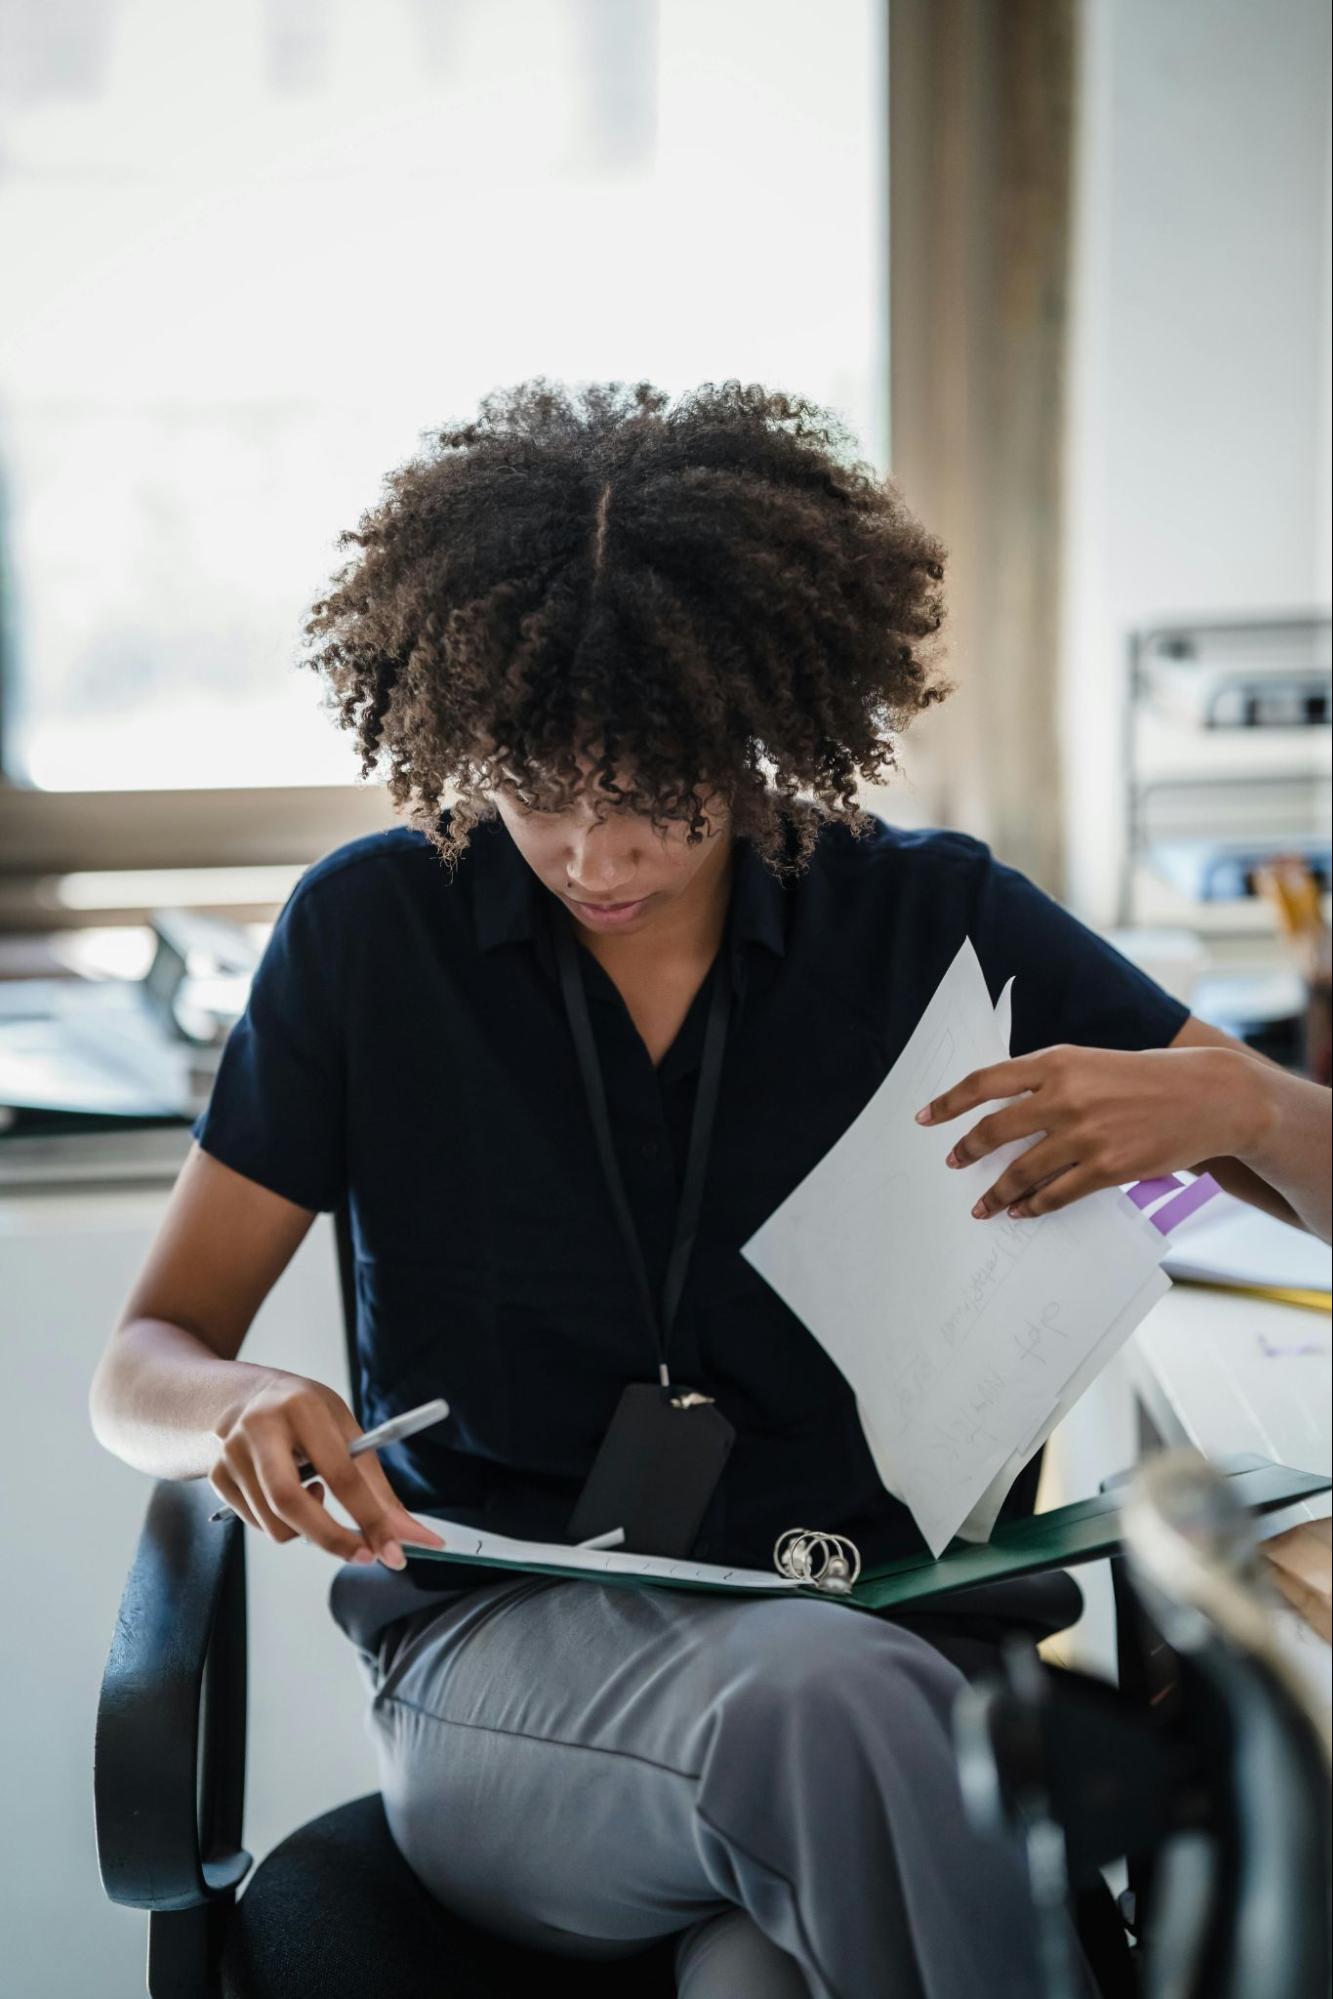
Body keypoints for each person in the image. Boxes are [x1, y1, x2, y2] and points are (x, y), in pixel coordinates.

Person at [88, 380, 1332, 1999]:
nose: (594, 856)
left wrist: (1239, 1098)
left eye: (654, 798)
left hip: (889, 1644)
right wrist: (235, 1400)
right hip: (513, 1680)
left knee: (761, 1966)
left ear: (754, 735)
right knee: (826, 1716)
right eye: (540, 793)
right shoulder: (370, 939)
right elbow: (143, 1364)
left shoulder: (926, 918)